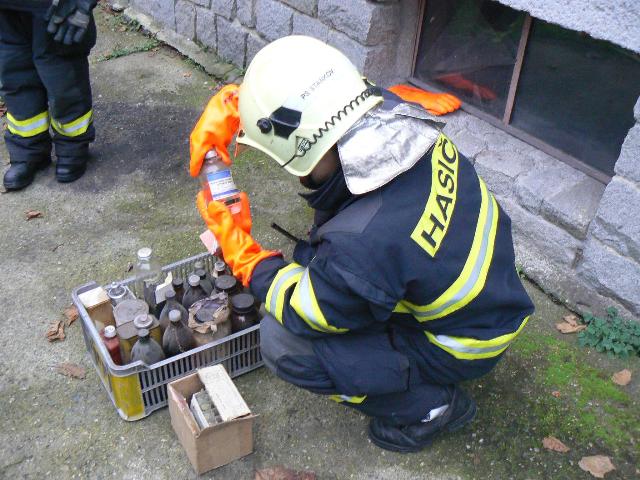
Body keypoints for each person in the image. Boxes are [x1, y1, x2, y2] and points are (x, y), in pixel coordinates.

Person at [192, 35, 534, 453]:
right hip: (489, 296)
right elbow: (325, 91)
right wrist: (246, 102)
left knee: (284, 344)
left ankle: (428, 407)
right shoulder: (394, 116)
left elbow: (308, 312)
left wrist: (247, 258)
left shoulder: (363, 244)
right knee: (331, 252)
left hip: (465, 344)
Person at [0, 0, 97, 190]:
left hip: (55, 7)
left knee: (63, 78)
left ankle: (72, 148)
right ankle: (28, 150)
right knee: (14, 75)